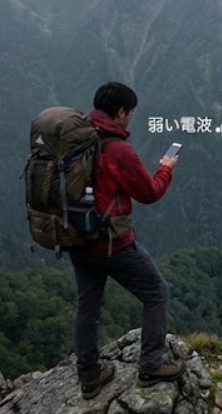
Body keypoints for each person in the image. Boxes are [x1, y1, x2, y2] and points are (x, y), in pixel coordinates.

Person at [71, 81, 183, 399]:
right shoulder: (119, 150)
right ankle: (150, 366)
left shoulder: (78, 138)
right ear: (120, 112)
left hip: (77, 238)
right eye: (130, 112)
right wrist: (165, 169)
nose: (131, 117)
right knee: (156, 293)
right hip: (112, 243)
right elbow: (149, 192)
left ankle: (89, 375)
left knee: (87, 307)